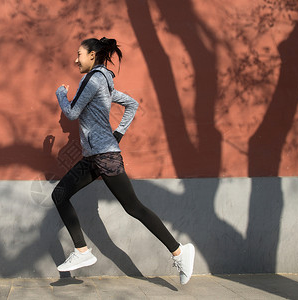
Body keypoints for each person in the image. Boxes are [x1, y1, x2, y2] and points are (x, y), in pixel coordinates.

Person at [52, 37, 195, 284]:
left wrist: (61, 94)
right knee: (60, 195)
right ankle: (82, 251)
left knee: (134, 208)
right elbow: (132, 104)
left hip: (104, 157)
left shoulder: (93, 79)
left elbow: (72, 112)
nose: (76, 60)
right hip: (95, 156)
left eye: (79, 54)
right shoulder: (104, 83)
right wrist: (115, 135)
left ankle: (180, 252)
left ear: (92, 56)